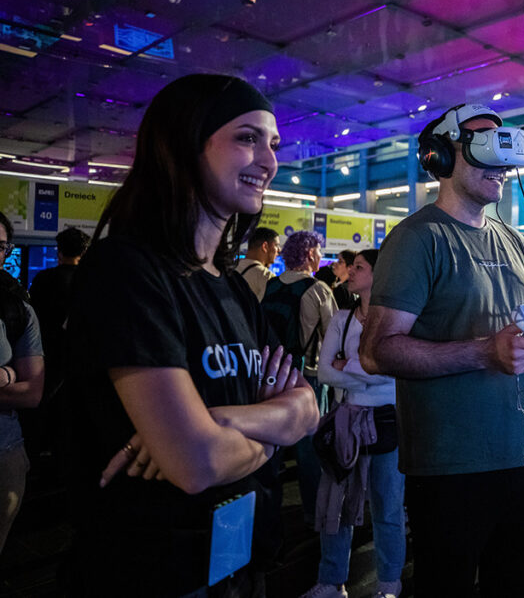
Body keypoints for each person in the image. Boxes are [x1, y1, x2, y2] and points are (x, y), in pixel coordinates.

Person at [64, 74, 320, 596]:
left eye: (273, 143)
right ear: (185, 143)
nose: (269, 161)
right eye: (247, 138)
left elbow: (309, 409)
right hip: (152, 570)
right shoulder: (128, 269)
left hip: (239, 559)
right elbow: (196, 462)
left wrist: (221, 421)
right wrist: (275, 430)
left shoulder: (232, 286)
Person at [359, 103, 524, 598]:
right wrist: (483, 353)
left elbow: (518, 333)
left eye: (503, 151)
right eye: (481, 147)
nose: (499, 164)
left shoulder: (512, 240)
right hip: (451, 473)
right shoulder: (416, 239)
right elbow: (376, 352)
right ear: (440, 157)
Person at [303, 249, 404, 598]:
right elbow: (325, 372)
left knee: (387, 506)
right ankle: (332, 581)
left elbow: (399, 372)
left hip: (387, 423)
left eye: (359, 267)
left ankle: (389, 583)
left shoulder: (396, 319)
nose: (350, 271)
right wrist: (374, 372)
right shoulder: (342, 318)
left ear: (379, 274)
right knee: (337, 504)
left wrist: (350, 366)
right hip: (347, 421)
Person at [263, 230, 338, 525]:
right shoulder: (318, 290)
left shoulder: (271, 285)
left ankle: (268, 512)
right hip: (308, 375)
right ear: (309, 254)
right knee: (310, 448)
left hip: (273, 372)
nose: (321, 257)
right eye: (318, 251)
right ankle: (313, 513)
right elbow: (333, 337)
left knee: (273, 446)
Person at [23, 226, 89, 462]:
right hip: (79, 360)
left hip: (44, 356)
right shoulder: (91, 282)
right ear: (84, 252)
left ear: (59, 252)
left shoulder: (43, 279)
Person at [0, 212, 45, 555]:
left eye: (0, 246)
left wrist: (12, 375)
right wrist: (7, 376)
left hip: (4, 452)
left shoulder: (15, 307)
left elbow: (32, 392)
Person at [236, 226, 280, 301]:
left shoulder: (231, 269)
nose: (279, 250)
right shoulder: (267, 277)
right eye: (276, 245)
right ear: (264, 246)